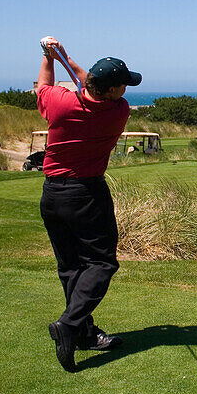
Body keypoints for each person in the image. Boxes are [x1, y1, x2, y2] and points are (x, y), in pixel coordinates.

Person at [36, 37, 141, 372]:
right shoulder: (118, 112)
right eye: (123, 84)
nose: (126, 90)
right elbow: (89, 82)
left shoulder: (60, 105)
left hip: (52, 195)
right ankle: (69, 325)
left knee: (70, 267)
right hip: (87, 194)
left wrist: (51, 58)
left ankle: (83, 334)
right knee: (101, 264)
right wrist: (64, 57)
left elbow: (44, 86)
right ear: (112, 91)